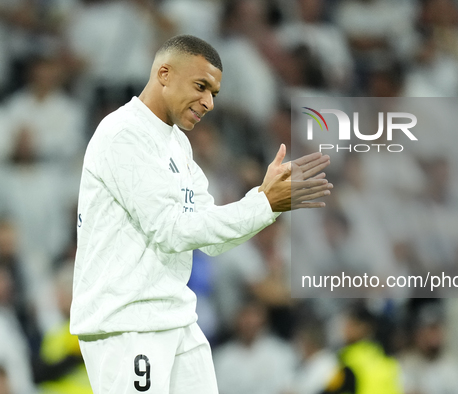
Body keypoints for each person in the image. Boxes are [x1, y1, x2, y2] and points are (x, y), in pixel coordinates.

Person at [70, 34, 332, 394]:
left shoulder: (178, 143)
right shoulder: (123, 134)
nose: (209, 102)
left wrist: (264, 200)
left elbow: (208, 239)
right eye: (201, 86)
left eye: (215, 93)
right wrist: (264, 204)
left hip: (177, 319)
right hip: (128, 323)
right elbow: (171, 231)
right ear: (164, 73)